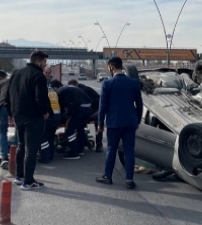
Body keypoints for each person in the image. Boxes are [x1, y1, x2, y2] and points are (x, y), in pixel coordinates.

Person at [6, 50, 51, 190]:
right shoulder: (38, 76)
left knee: (21, 145)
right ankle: (28, 181)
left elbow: (9, 94)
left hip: (18, 115)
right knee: (31, 150)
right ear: (38, 61)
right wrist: (45, 111)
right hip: (33, 117)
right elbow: (41, 97)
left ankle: (19, 177)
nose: (45, 65)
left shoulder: (17, 73)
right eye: (44, 62)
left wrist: (10, 113)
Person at [96, 57, 143, 189]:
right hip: (130, 122)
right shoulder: (134, 83)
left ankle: (107, 177)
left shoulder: (107, 84)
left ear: (111, 67)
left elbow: (102, 106)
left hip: (114, 122)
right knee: (129, 150)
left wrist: (100, 123)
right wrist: (138, 120)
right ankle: (129, 180)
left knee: (111, 149)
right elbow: (139, 104)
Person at [50, 79, 92, 160]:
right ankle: (80, 149)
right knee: (80, 129)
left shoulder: (60, 92)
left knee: (69, 130)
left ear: (55, 88)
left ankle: (73, 152)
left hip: (79, 109)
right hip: (88, 108)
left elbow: (61, 108)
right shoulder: (68, 87)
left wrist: (65, 118)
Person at [67, 79, 103, 152]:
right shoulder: (79, 89)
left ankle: (99, 144)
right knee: (80, 124)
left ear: (75, 84)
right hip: (88, 110)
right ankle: (84, 141)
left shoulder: (84, 90)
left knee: (98, 126)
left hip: (95, 110)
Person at [0, 69, 18, 169]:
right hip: (15, 107)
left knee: (2, 131)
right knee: (18, 131)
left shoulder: (2, 82)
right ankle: (15, 154)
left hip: (2, 106)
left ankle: (4, 157)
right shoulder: (20, 82)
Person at [44, 66, 61, 162]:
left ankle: (46, 157)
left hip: (50, 116)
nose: (48, 73)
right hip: (56, 116)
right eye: (46, 72)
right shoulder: (53, 90)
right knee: (50, 137)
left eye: (49, 72)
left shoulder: (47, 88)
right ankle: (50, 155)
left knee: (45, 137)